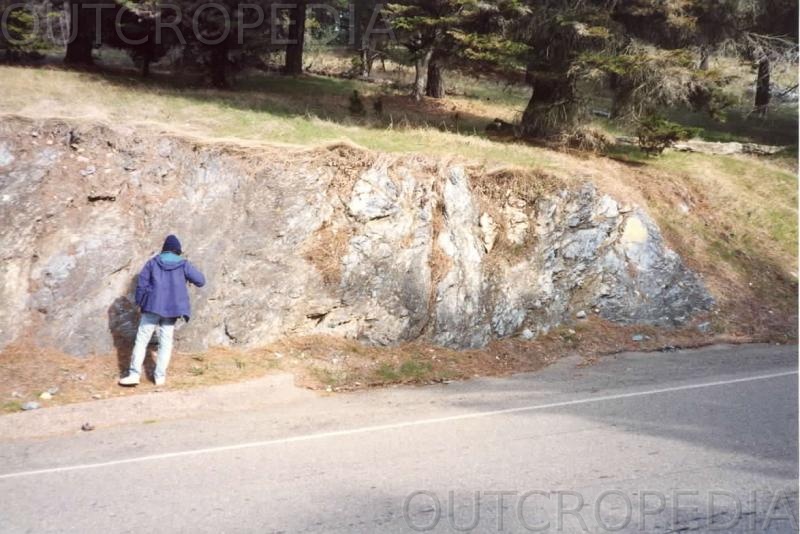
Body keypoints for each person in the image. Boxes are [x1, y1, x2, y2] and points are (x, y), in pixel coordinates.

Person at [119, 235, 206, 386]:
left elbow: (141, 285)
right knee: (165, 342)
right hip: (172, 309)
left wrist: (140, 304)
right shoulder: (183, 264)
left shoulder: (152, 263)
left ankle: (134, 375)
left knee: (142, 340)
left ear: (164, 249)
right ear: (177, 251)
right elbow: (201, 280)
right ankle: (160, 377)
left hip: (152, 306)